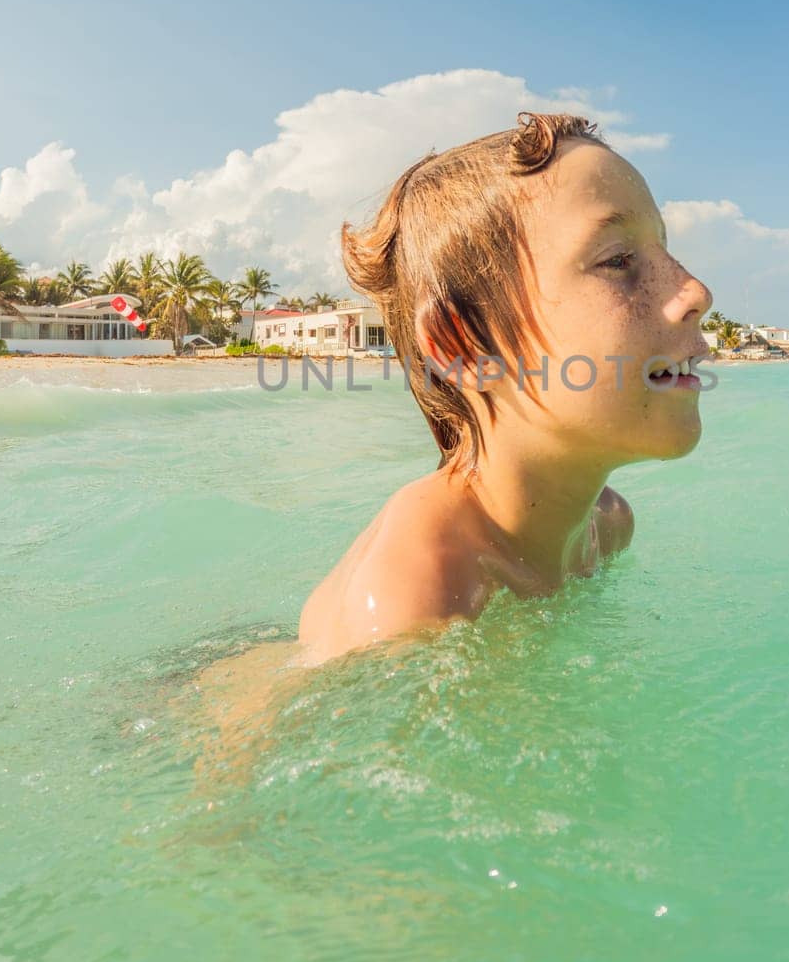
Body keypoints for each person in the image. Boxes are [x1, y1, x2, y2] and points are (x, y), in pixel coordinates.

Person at [297, 112, 713, 664]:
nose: (695, 291)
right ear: (465, 346)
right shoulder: (414, 600)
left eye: (665, 250)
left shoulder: (608, 527)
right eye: (618, 261)